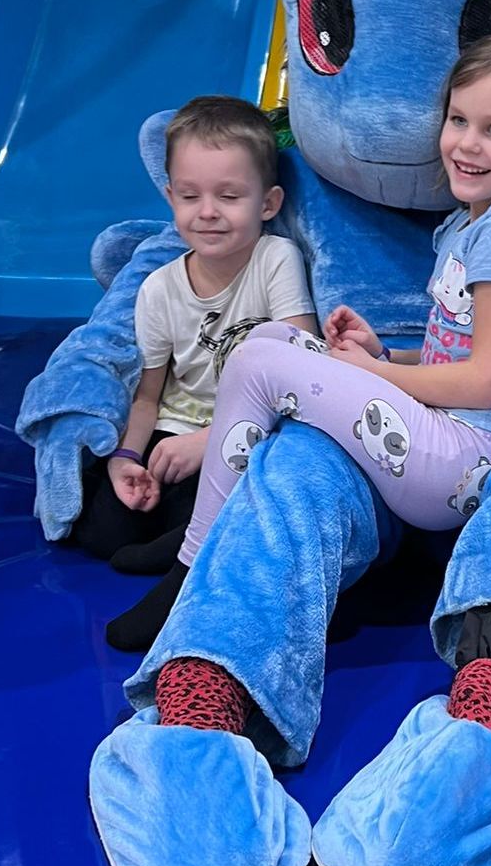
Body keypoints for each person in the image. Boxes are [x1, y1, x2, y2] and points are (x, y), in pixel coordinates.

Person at [107, 32, 491, 649]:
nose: (467, 143)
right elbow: (464, 353)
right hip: (449, 436)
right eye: (459, 120)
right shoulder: (476, 222)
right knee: (278, 336)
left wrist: (375, 375)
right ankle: (213, 530)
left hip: (466, 460)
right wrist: (383, 353)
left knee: (257, 358)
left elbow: (487, 381)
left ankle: (192, 565)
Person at [66, 96, 317, 640]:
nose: (207, 212)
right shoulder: (158, 289)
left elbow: (302, 362)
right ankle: (184, 534)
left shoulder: (275, 259)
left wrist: (211, 440)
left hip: (252, 431)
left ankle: (190, 544)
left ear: (268, 203)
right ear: (170, 198)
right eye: (190, 196)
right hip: (177, 430)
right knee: (104, 530)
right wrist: (127, 460)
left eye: (229, 196)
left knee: (251, 485)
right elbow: (148, 396)